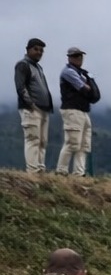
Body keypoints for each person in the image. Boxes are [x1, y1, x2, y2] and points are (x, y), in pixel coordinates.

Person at [55, 47, 100, 176]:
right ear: (69, 57)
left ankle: (79, 173)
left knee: (84, 145)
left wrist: (88, 88)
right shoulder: (68, 72)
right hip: (72, 110)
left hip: (83, 110)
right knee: (72, 142)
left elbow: (88, 88)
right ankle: (61, 170)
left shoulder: (81, 72)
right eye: (75, 56)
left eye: (80, 56)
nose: (78, 58)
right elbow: (83, 87)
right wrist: (88, 87)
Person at [14, 37, 54, 174]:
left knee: (43, 141)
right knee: (33, 139)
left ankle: (40, 168)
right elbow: (21, 87)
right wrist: (30, 104)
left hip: (44, 109)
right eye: (36, 49)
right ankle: (32, 171)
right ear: (28, 49)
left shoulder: (38, 67)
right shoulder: (23, 65)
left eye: (41, 50)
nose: (39, 52)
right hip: (31, 109)